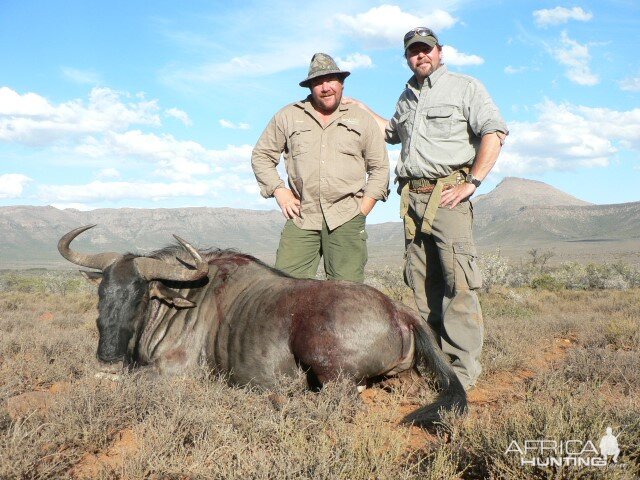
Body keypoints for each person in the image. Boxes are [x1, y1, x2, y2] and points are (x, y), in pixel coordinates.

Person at [344, 28, 508, 390]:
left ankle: (462, 373)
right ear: (407, 57)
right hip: (412, 200)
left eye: (426, 50)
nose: (421, 56)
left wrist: (473, 183)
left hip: (448, 196)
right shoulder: (406, 97)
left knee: (458, 283)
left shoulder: (466, 87)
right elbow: (391, 133)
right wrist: (360, 108)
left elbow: (494, 133)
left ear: (439, 51)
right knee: (421, 282)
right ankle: (434, 363)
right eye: (413, 52)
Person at [251, 53, 389, 283]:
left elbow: (380, 167)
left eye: (331, 80)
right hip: (302, 216)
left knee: (347, 297)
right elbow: (261, 155)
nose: (325, 87)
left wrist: (362, 209)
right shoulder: (288, 116)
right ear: (310, 87)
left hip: (347, 216)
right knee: (285, 291)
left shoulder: (361, 119)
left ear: (341, 83)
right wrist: (279, 191)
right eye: (318, 82)